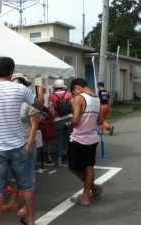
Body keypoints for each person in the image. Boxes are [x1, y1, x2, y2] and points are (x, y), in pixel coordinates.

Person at [0, 56, 45, 225]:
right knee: (26, 185)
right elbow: (40, 106)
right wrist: (41, 94)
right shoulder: (19, 89)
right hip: (17, 145)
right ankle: (30, 219)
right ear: (11, 71)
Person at [1, 73, 40, 218]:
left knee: (27, 176)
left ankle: (27, 205)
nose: (15, 87)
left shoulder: (30, 102)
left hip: (26, 141)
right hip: (12, 143)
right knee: (12, 175)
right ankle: (13, 201)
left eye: (18, 84)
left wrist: (29, 145)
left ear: (24, 86)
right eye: (13, 84)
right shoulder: (9, 101)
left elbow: (34, 125)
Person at [66, 78, 103, 206]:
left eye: (73, 92)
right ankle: (87, 195)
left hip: (79, 139)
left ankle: (92, 189)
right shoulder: (97, 98)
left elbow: (75, 120)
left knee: (72, 167)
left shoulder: (80, 98)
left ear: (77, 88)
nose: (74, 95)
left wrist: (69, 124)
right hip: (93, 138)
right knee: (89, 166)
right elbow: (100, 120)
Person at [48, 79, 73, 167]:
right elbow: (73, 107)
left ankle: (59, 162)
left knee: (59, 140)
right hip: (69, 118)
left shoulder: (51, 96)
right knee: (70, 138)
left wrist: (52, 115)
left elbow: (51, 110)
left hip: (58, 120)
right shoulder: (69, 94)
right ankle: (72, 159)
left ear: (55, 87)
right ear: (63, 86)